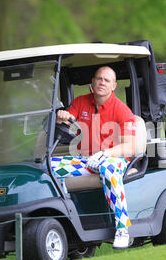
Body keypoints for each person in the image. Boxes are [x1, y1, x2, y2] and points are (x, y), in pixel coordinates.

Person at [53, 66, 137, 249]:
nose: (102, 82)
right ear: (92, 82)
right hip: (87, 160)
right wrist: (61, 116)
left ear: (114, 86)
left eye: (107, 80)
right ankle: (63, 222)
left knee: (109, 170)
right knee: (49, 167)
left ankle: (122, 228)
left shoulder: (122, 110)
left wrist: (105, 154)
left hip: (114, 159)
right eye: (99, 79)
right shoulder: (81, 102)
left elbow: (129, 147)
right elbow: (66, 121)